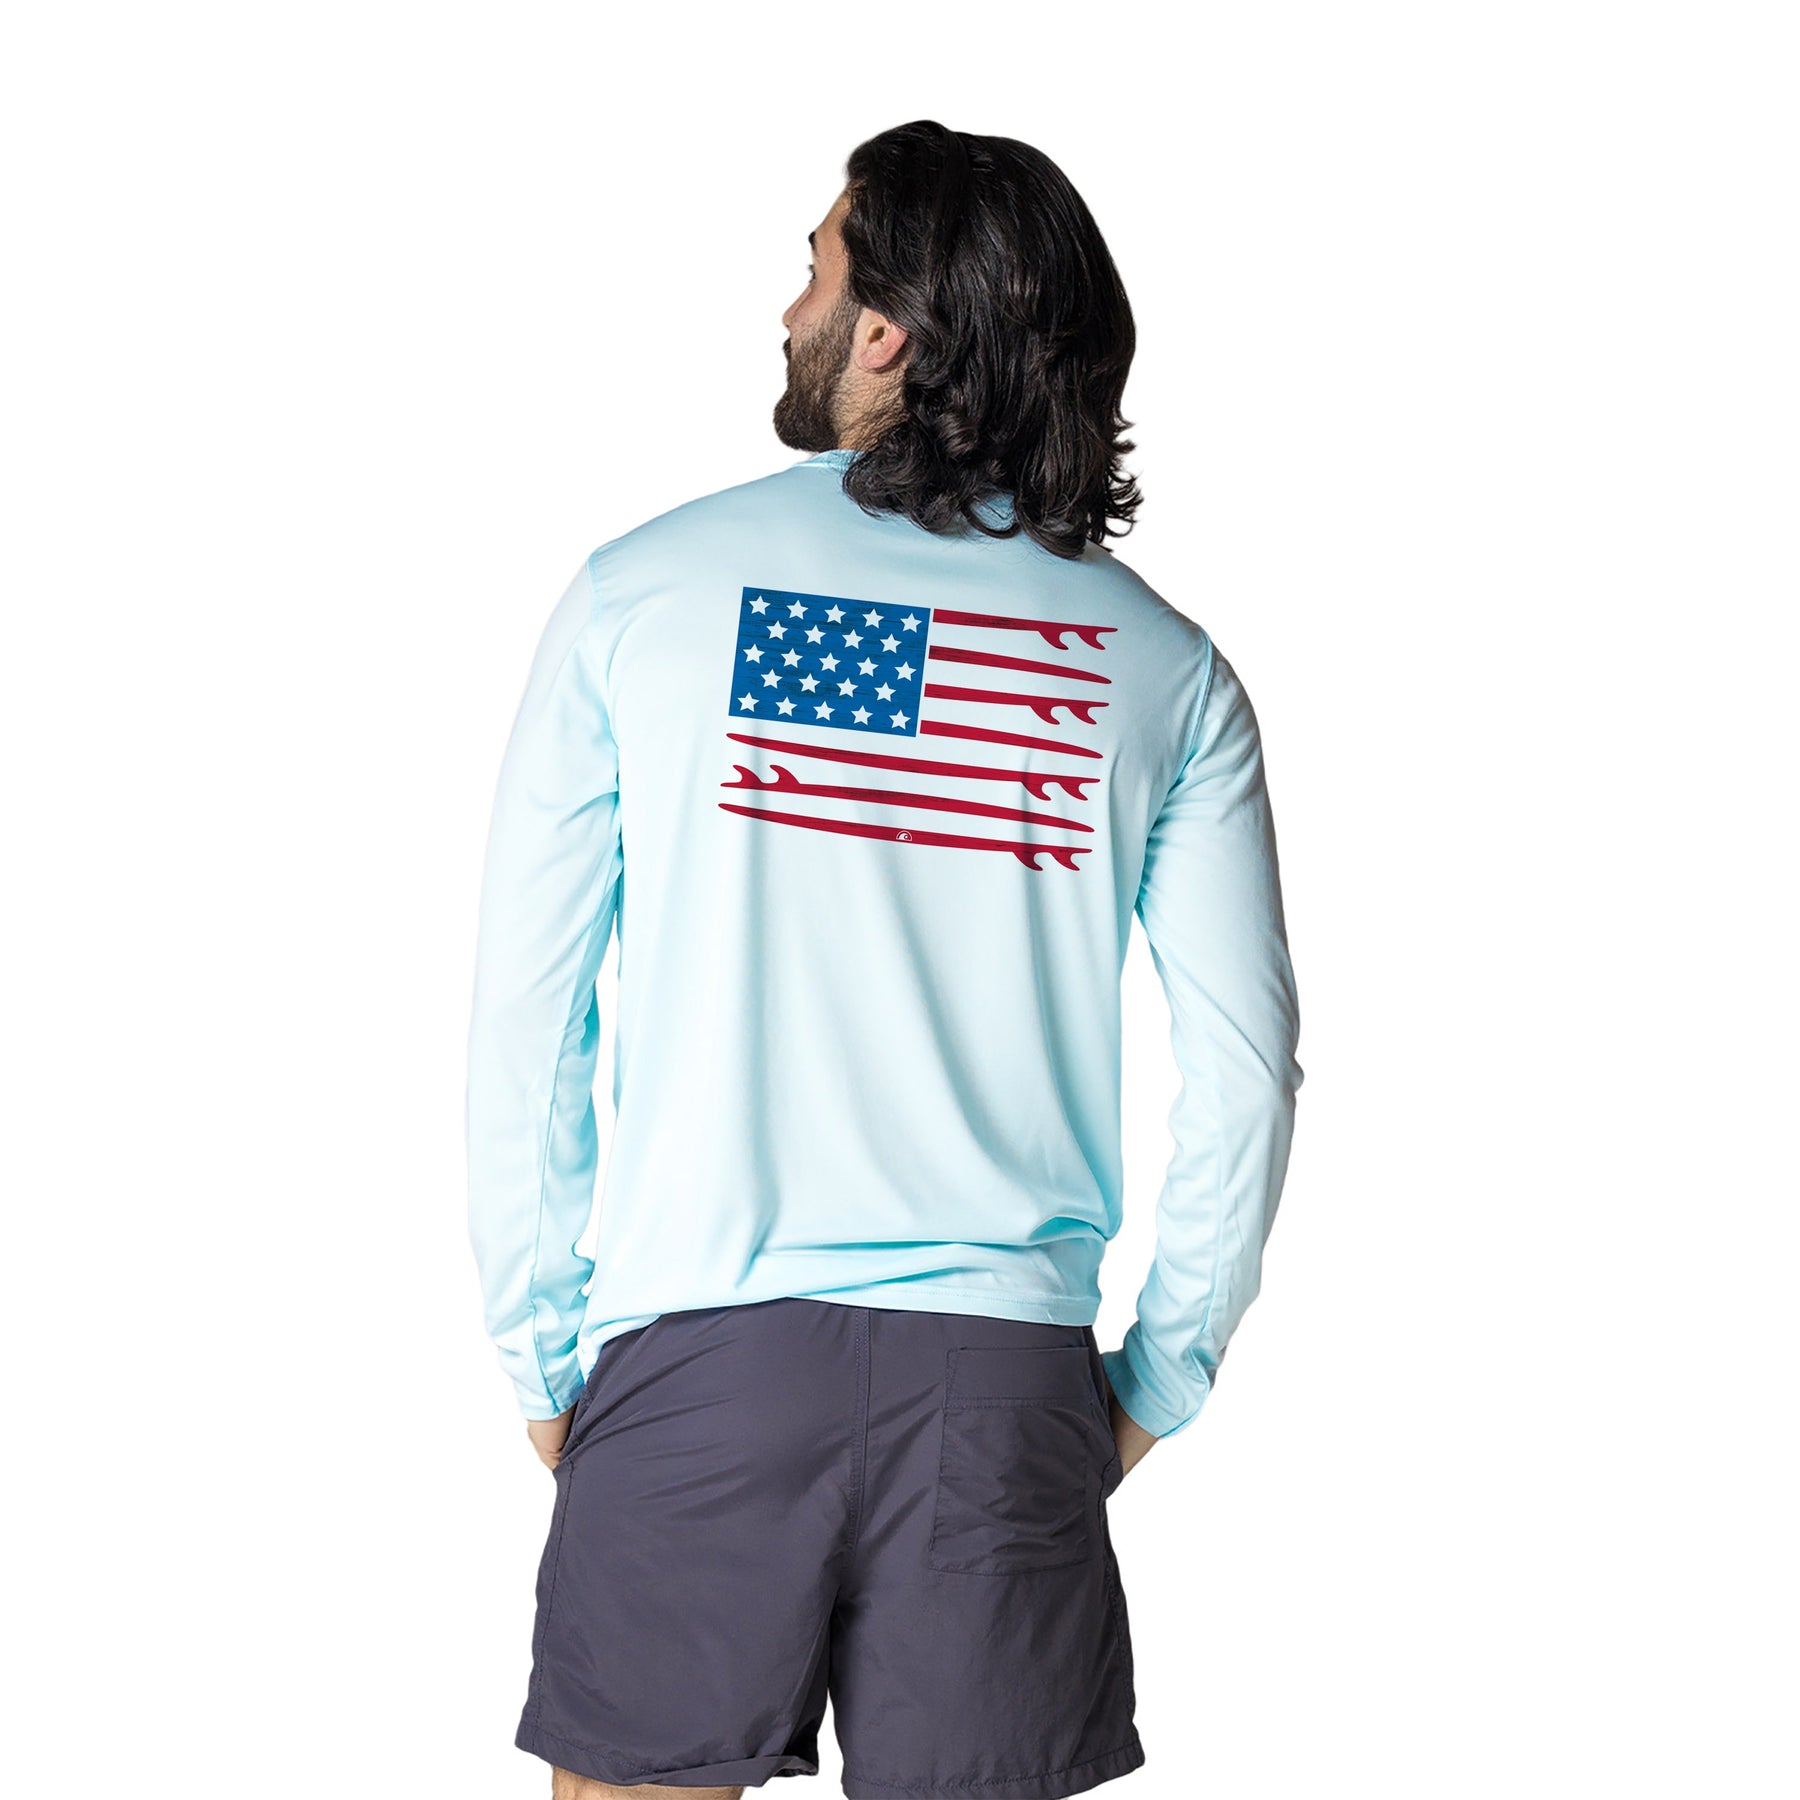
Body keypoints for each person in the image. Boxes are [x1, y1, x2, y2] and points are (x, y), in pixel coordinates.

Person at [465, 119, 1304, 1800]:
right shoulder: (1164, 668)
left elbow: (532, 1016)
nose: (788, 305)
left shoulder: (643, 595)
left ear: (889, 333)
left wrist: (544, 1346)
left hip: (697, 1354)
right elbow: (1246, 1074)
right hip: (1003, 1390)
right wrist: (1155, 1384)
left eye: (816, 267)